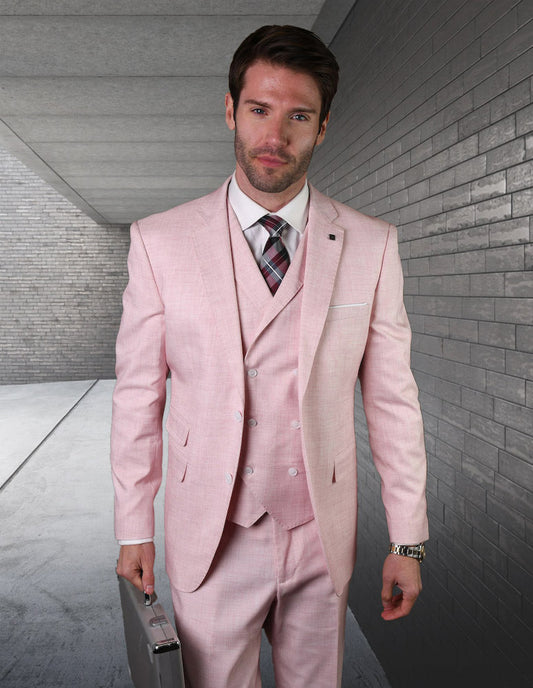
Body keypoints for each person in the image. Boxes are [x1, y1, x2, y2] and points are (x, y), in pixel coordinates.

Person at [112, 24, 428, 688]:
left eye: (297, 116)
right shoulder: (158, 241)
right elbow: (138, 395)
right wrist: (133, 524)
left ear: (322, 126)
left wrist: (406, 539)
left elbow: (393, 400)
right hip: (212, 533)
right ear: (230, 110)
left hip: (321, 529)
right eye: (258, 109)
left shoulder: (371, 245)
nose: (274, 136)